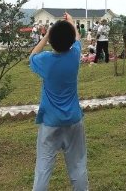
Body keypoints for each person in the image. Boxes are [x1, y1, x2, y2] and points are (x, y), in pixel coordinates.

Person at [29, 12, 88, 191]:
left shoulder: (45, 61)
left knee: (43, 167)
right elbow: (77, 38)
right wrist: (70, 22)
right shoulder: (74, 56)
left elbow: (32, 55)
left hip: (50, 122)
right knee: (78, 165)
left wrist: (47, 34)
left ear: (52, 40)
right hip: (74, 120)